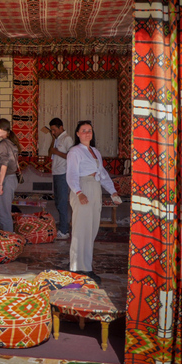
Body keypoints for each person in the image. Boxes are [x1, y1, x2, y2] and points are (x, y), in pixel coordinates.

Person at [65, 120, 119, 283]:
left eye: (89, 130)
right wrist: (79, 192)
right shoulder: (75, 151)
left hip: (95, 189)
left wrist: (112, 191)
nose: (87, 133)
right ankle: (78, 268)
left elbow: (102, 174)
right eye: (83, 130)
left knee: (91, 229)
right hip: (82, 188)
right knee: (81, 230)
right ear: (77, 133)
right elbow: (71, 174)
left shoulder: (94, 151)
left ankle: (84, 264)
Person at [0, 118, 22, 233]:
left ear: (2, 129)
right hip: (11, 179)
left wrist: (0, 184)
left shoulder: (4, 143)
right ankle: (5, 230)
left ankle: (9, 240)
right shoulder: (11, 142)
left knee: (4, 212)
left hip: (7, 179)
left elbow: (4, 166)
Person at [49, 118, 74, 240]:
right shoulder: (57, 139)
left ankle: (64, 231)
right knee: (58, 202)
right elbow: (51, 153)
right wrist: (52, 140)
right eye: (51, 130)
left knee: (62, 202)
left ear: (61, 127)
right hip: (56, 173)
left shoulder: (67, 138)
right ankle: (62, 229)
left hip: (63, 174)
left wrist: (57, 152)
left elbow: (71, 156)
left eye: (54, 130)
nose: (53, 132)